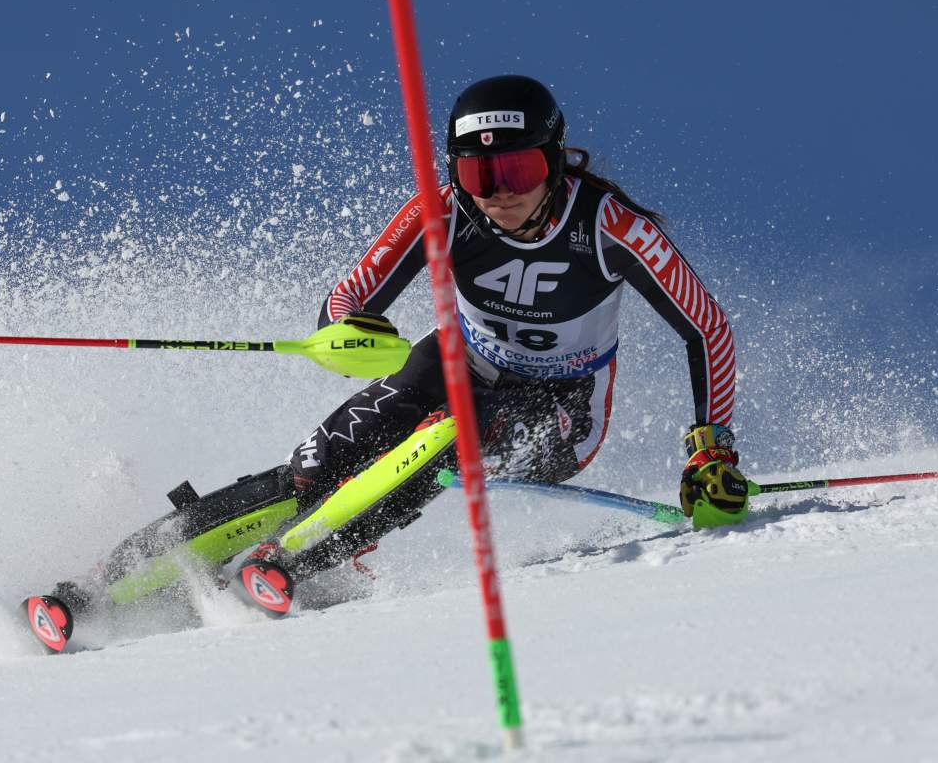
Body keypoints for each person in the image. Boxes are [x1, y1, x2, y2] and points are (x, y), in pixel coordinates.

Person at [229, 75, 750, 614]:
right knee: (321, 461)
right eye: (478, 173)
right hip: (460, 358)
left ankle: (289, 562)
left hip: (563, 405)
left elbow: (706, 327)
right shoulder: (443, 210)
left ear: (555, 161)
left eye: (519, 170)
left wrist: (712, 449)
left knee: (460, 428)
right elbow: (348, 296)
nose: (501, 192)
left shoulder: (610, 227)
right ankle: (194, 536)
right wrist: (346, 331)